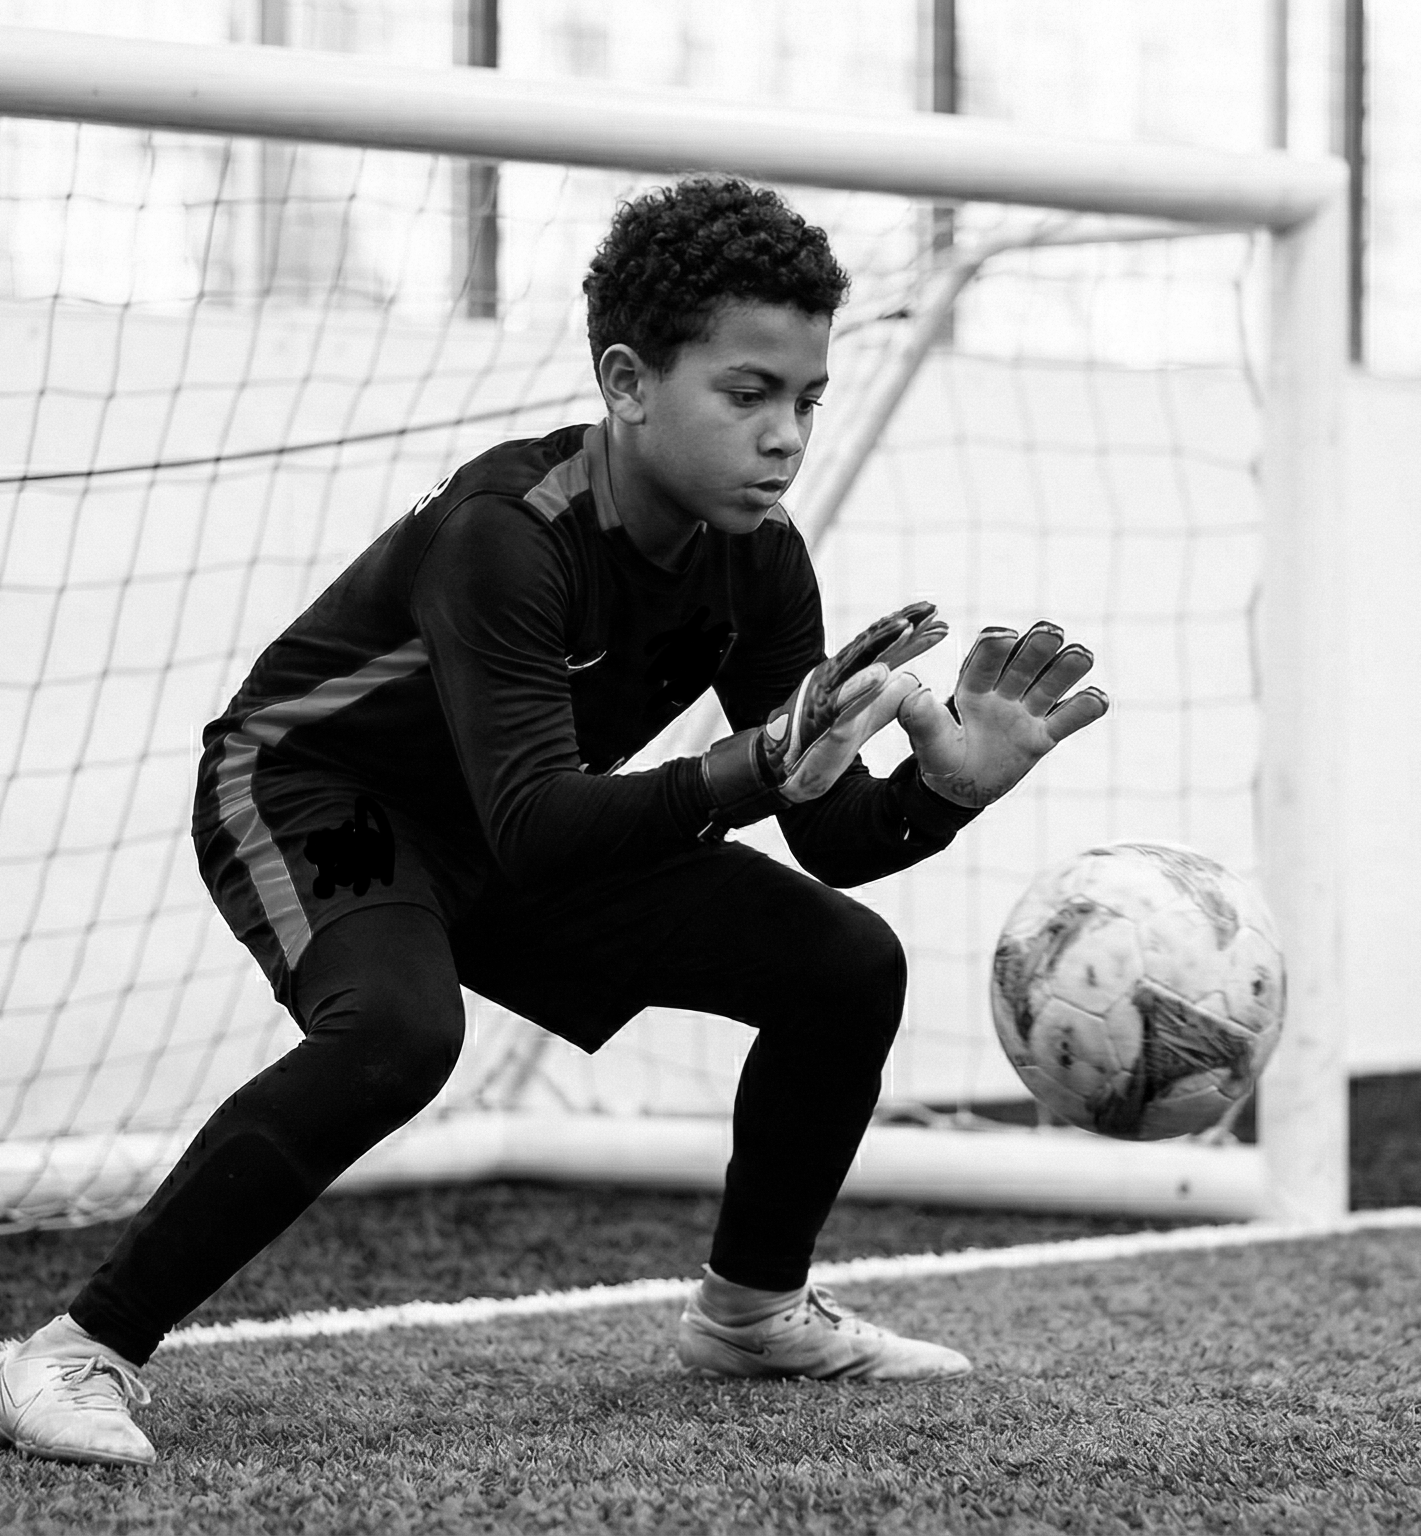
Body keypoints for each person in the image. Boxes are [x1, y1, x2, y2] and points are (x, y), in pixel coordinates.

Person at [0, 177, 1107, 1467]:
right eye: (747, 394)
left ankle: (752, 1311)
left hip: (523, 818)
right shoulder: (508, 533)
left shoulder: (760, 558)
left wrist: (949, 787)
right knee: (401, 1031)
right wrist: (754, 765)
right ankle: (78, 1350)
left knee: (846, 965)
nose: (787, 437)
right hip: (317, 793)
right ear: (629, 383)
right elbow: (553, 822)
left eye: (806, 399)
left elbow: (828, 833)